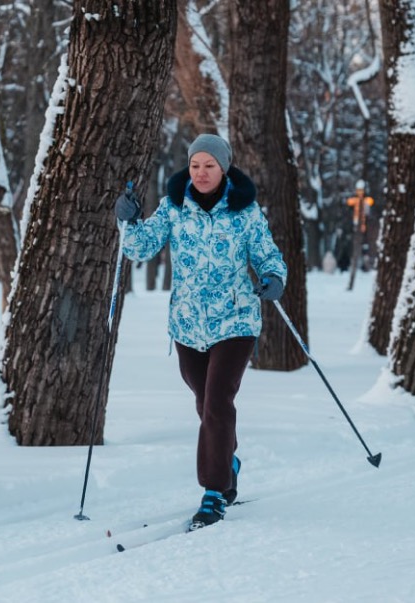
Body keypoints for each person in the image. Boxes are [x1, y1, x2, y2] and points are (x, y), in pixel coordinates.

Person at [114, 133, 287, 531]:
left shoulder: (245, 211)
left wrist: (274, 277)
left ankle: (213, 492)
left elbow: (267, 254)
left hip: (236, 319)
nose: (201, 173)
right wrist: (127, 220)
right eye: (195, 165)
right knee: (204, 400)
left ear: (224, 168)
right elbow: (140, 249)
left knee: (217, 403)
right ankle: (228, 460)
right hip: (188, 323)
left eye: (209, 165)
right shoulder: (174, 206)